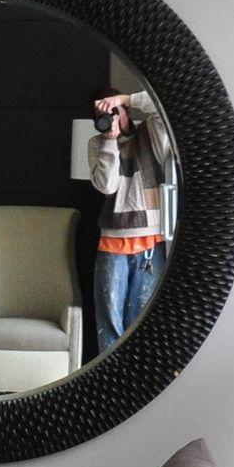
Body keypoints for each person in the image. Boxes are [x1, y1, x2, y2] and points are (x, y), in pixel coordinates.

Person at [87, 91, 171, 352]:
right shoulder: (96, 143)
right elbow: (107, 187)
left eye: (115, 111)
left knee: (143, 322)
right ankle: (112, 384)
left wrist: (126, 98)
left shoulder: (151, 133)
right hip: (112, 244)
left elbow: (166, 105)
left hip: (151, 242)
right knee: (110, 325)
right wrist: (109, 142)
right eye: (104, 115)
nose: (111, 118)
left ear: (125, 110)